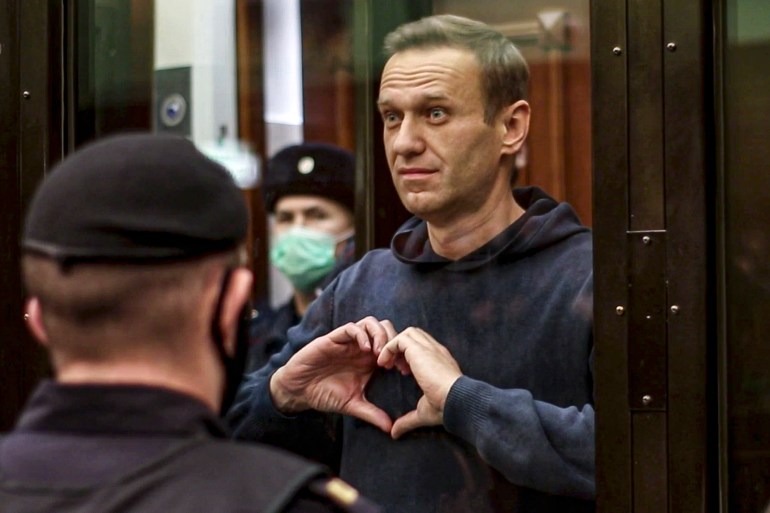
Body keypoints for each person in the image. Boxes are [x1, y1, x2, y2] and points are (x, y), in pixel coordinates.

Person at [228, 14, 594, 513]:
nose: (404, 143)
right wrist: (282, 395)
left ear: (511, 127)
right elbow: (231, 450)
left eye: (436, 113)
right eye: (392, 117)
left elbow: (645, 452)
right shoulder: (359, 285)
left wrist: (465, 402)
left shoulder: (588, 278)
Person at [0, 133, 380, 513]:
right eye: (286, 217)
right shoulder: (294, 504)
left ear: (38, 323)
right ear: (231, 306)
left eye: (315, 216)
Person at [249, 142, 356, 372]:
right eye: (285, 218)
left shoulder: (368, 331)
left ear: (353, 228)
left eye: (316, 215)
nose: (298, 230)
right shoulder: (256, 337)